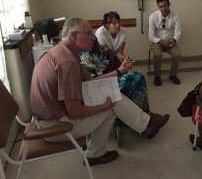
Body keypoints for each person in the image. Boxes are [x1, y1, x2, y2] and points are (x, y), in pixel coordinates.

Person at [30, 18, 170, 166]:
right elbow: (74, 112)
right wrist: (103, 107)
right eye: (89, 33)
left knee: (111, 94)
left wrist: (119, 71)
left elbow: (90, 81)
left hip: (52, 116)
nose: (94, 38)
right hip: (54, 127)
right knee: (110, 110)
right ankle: (95, 154)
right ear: (74, 36)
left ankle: (146, 125)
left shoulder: (62, 52)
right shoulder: (67, 62)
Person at [80, 39, 150, 113]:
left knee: (139, 76)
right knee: (129, 79)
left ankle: (144, 111)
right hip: (97, 85)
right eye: (88, 34)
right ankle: (136, 113)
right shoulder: (85, 56)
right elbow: (92, 81)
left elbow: (114, 63)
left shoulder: (102, 49)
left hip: (109, 75)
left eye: (92, 34)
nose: (92, 37)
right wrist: (119, 71)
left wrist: (125, 65)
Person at [148, 0, 182, 86]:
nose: (163, 8)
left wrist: (172, 40)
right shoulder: (153, 16)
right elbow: (151, 36)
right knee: (158, 55)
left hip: (170, 42)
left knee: (178, 55)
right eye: (161, 6)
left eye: (165, 5)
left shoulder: (176, 16)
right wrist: (161, 41)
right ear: (158, 6)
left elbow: (178, 33)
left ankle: (173, 75)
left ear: (169, 4)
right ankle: (157, 76)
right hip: (157, 41)